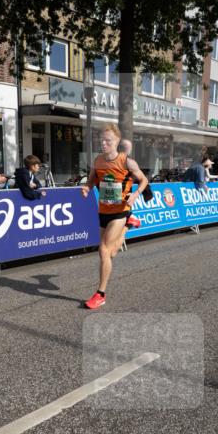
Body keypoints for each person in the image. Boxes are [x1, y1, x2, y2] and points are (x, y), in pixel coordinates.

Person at [79, 124, 148, 310]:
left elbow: (144, 180)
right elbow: (92, 179)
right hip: (103, 211)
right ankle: (129, 226)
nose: (103, 143)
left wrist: (135, 195)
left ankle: (100, 294)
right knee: (112, 253)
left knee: (103, 250)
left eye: (108, 140)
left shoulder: (126, 162)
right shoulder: (98, 160)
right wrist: (87, 187)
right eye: (102, 140)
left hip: (120, 210)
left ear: (117, 142)